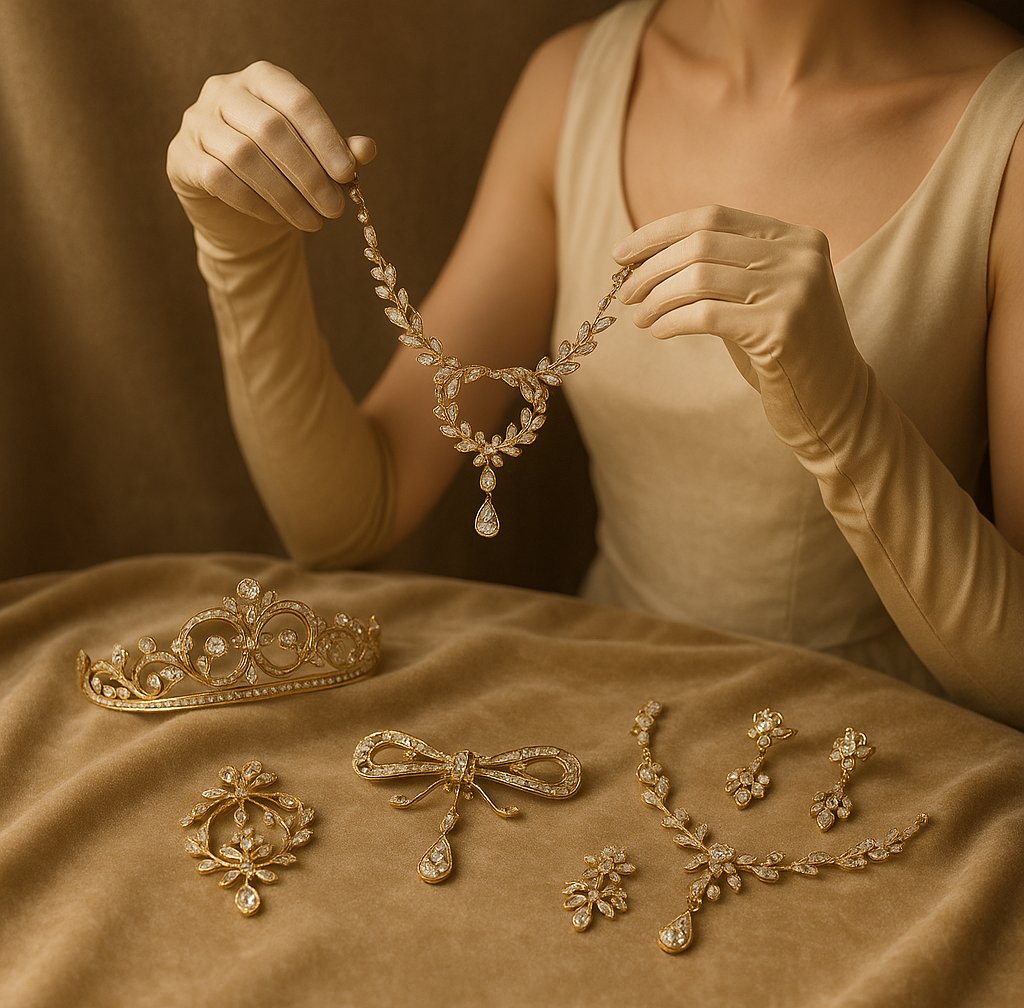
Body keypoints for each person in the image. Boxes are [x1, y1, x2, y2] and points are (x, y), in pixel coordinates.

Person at [166, 0, 1024, 728]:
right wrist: (241, 256)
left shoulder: (1007, 136)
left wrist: (844, 417)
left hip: (882, 764)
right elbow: (355, 513)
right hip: (602, 735)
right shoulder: (574, 86)